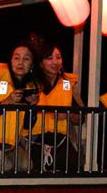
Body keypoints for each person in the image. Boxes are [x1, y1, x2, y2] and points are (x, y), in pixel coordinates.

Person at [0, 41, 40, 172]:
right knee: (5, 166)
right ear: (10, 61)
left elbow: (28, 126)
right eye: (16, 58)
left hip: (10, 141)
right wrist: (8, 101)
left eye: (26, 59)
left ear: (32, 65)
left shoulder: (30, 87)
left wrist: (32, 107)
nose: (21, 62)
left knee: (26, 166)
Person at [26, 38, 81, 171]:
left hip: (60, 139)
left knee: (73, 165)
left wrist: (68, 115)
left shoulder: (68, 84)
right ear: (40, 63)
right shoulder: (29, 84)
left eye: (58, 57)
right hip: (33, 138)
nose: (55, 62)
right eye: (49, 58)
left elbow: (80, 118)